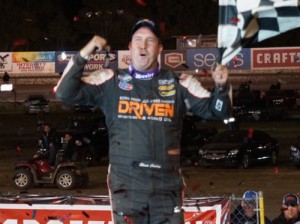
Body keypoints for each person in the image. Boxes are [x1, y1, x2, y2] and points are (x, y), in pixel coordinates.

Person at [55, 18, 231, 224]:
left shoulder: (180, 83)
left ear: (160, 48)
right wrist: (85, 53)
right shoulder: (110, 80)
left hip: (167, 186)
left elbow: (220, 112)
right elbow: (64, 93)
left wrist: (222, 86)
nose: (143, 44)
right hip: (126, 186)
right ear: (130, 47)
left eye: (150, 40)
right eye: (137, 39)